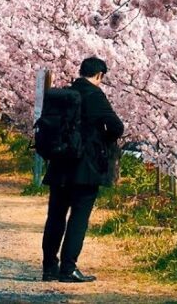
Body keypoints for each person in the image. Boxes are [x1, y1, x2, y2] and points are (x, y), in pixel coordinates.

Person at [41, 57, 124, 283]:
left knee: (55, 217)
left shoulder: (65, 94)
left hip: (59, 165)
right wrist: (101, 140)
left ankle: (49, 267)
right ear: (99, 75)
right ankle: (68, 269)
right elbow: (117, 126)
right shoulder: (95, 95)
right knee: (78, 218)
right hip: (85, 168)